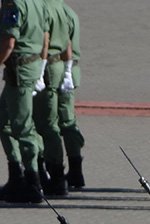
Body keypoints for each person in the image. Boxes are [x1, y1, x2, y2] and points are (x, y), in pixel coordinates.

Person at [0, 0, 48, 203]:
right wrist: (42, 67)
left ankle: (33, 182)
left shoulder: (13, 3)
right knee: (4, 121)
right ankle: (18, 176)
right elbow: (46, 36)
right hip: (31, 67)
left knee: (22, 126)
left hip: (19, 72)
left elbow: (10, 41)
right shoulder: (38, 2)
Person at [31, 0, 70, 196]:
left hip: (46, 66)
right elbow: (69, 38)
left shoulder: (43, 6)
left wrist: (39, 69)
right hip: (59, 64)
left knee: (43, 124)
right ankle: (56, 175)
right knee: (51, 121)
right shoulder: (60, 5)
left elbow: (44, 39)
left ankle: (51, 175)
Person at [56, 0, 83, 187]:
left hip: (59, 70)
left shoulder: (57, 13)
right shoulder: (68, 12)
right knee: (68, 121)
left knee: (54, 122)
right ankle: (75, 171)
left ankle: (66, 172)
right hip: (69, 72)